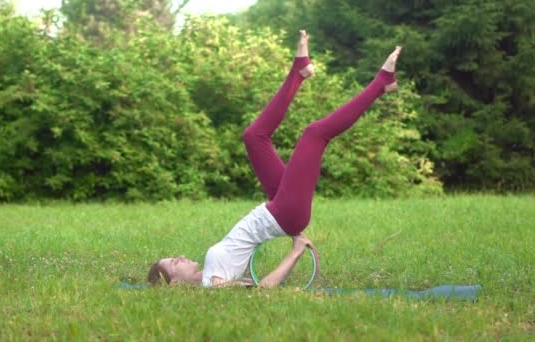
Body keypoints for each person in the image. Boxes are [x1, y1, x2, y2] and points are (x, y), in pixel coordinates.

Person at [147, 30, 402, 288]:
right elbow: (262, 290)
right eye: (173, 263)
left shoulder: (210, 276)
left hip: (277, 209)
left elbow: (248, 285)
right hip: (284, 213)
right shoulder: (211, 285)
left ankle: (299, 72)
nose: (179, 257)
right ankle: (381, 84)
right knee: (315, 134)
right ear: (175, 285)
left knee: (254, 136)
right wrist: (294, 253)